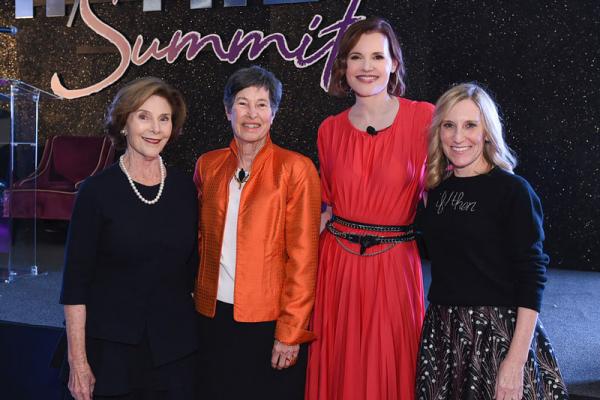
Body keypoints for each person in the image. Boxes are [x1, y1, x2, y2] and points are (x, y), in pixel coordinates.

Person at [305, 17, 434, 400]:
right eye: (356, 57)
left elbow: (445, 188)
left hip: (395, 266)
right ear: (343, 66)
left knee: (391, 371)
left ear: (394, 63)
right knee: (339, 366)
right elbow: (326, 201)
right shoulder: (329, 129)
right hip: (338, 269)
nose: (367, 67)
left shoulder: (424, 118)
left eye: (378, 56)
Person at [415, 82, 568, 400]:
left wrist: (515, 360)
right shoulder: (436, 192)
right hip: (443, 335)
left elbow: (532, 276)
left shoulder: (512, 191)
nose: (458, 137)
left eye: (470, 125)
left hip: (497, 335)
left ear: (487, 131)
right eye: (449, 125)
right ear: (438, 132)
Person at [59, 77, 198, 400]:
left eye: (164, 119)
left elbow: (191, 271)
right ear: (124, 123)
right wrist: (78, 361)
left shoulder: (185, 189)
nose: (155, 129)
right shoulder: (96, 192)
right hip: (111, 353)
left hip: (174, 354)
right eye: (143, 116)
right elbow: (75, 285)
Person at [193, 65, 321, 399]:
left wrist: (291, 332)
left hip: (268, 321)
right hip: (211, 315)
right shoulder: (208, 165)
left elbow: (304, 261)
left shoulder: (296, 169)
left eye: (262, 104)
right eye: (243, 103)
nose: (252, 114)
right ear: (227, 110)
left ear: (274, 112)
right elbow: (200, 240)